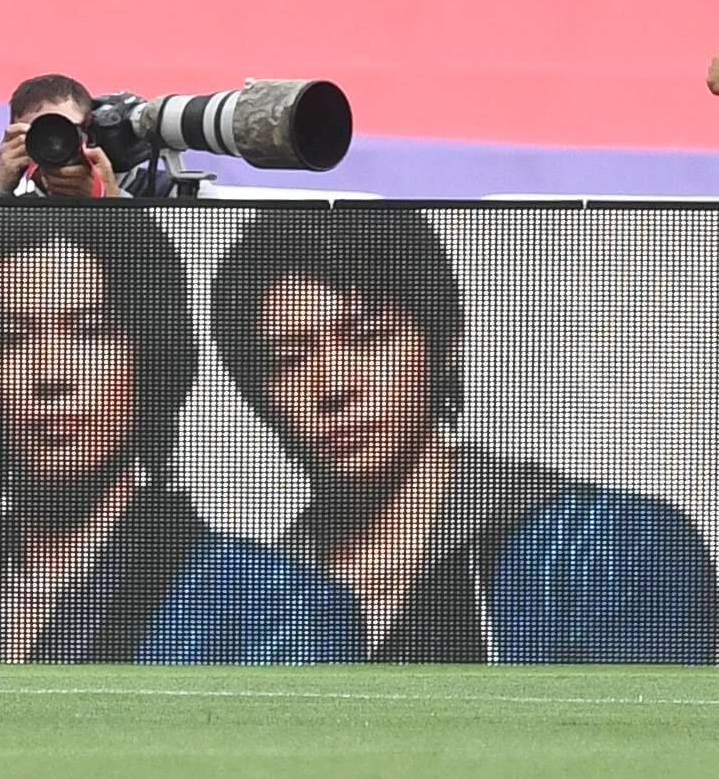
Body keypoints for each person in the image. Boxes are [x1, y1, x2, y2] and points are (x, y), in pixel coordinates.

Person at [211, 205, 718, 663]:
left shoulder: (592, 549)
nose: (333, 386)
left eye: (368, 337)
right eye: (287, 360)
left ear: (444, 340)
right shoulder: (241, 602)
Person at [0, 205, 363, 662]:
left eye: (90, 332)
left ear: (150, 362)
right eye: (12, 338)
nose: (51, 374)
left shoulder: (272, 609)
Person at [0, 74, 175, 200]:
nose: (54, 145)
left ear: (91, 134)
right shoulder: (16, 214)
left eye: (65, 131)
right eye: (38, 135)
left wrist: (111, 199)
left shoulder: (165, 190)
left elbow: (167, 261)